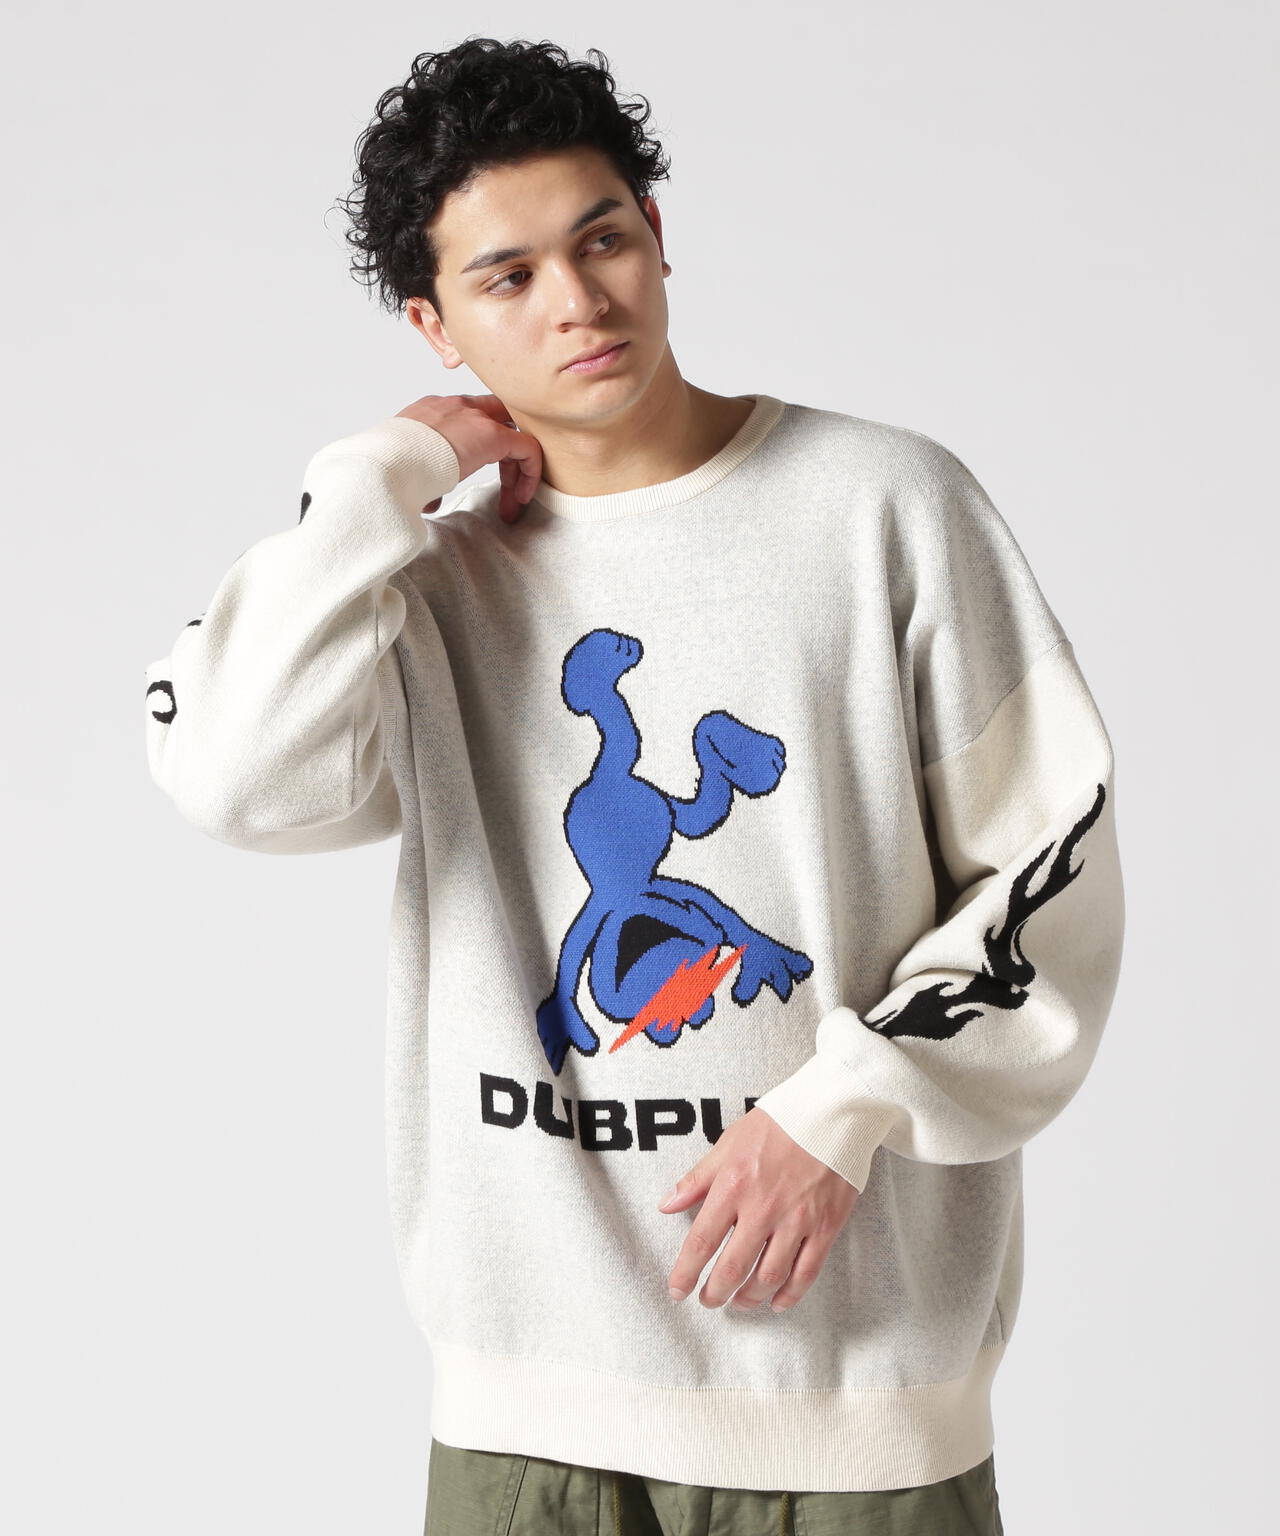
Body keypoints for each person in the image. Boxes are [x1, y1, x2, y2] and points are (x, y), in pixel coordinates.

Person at [143, 35, 1124, 1535]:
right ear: (434, 326)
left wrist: (845, 1107)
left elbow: (1053, 871)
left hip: (858, 1415)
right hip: (530, 1422)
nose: (578, 301)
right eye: (507, 276)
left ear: (657, 235)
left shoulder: (885, 507)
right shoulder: (420, 588)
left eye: (600, 240)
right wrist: (386, 474)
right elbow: (228, 772)